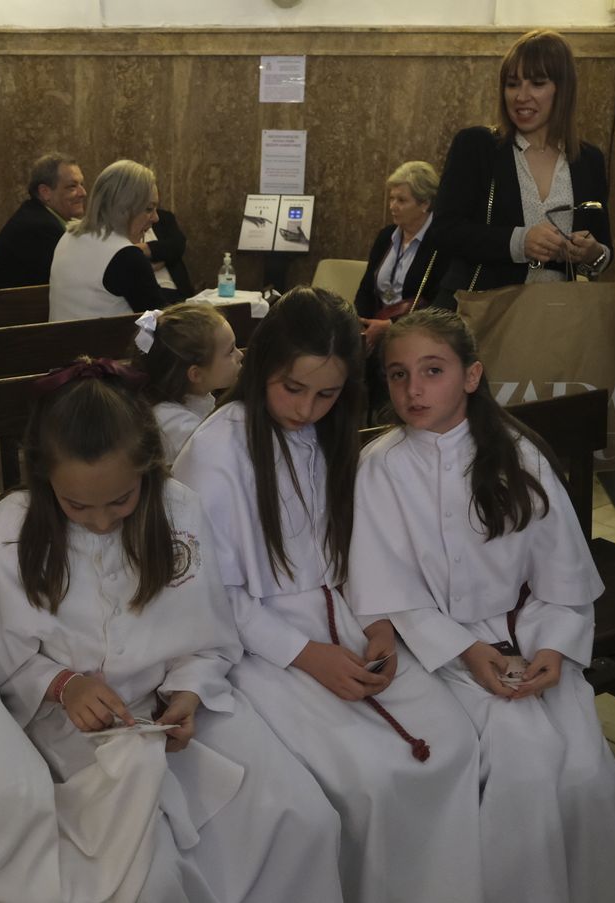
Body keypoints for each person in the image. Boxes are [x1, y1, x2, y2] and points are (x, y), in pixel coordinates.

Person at [0, 358, 344, 903]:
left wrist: (188, 691)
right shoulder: (11, 529)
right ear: (46, 480)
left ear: (147, 470)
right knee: (150, 873)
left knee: (303, 819)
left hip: (181, 712)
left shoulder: (178, 510)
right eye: (77, 505)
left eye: (121, 500)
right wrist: (64, 684)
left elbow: (210, 634)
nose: (100, 522)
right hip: (74, 731)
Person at [172, 287, 483, 903]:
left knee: (452, 741)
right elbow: (213, 595)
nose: (306, 409)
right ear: (263, 367)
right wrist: (306, 654)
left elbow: (358, 551)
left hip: (351, 620)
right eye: (292, 388)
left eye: (327, 394)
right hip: (261, 646)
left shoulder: (333, 435)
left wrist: (382, 626)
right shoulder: (214, 454)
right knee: (367, 778)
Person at [349, 308, 615, 903]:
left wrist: (555, 648)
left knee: (586, 775)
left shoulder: (518, 456)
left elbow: (563, 577)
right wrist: (467, 650)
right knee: (524, 770)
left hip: (531, 633)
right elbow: (388, 592)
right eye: (398, 375)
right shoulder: (379, 467)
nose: (414, 389)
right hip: (439, 647)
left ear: (471, 376)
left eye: (433, 371)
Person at [431, 30, 613, 303]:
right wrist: (519, 241)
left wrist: (592, 253)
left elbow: (603, 248)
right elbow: (444, 232)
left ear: (563, 90)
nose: (521, 96)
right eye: (513, 84)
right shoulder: (477, 145)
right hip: (481, 312)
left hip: (555, 316)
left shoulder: (588, 160)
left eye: (537, 83)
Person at [47, 160, 165, 321]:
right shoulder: (126, 256)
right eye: (149, 209)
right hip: (105, 345)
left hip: (58, 344)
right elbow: (161, 326)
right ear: (124, 207)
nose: (156, 218)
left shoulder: (69, 235)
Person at [129, 303, 242, 463]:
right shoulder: (177, 425)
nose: (239, 355)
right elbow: (225, 460)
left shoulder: (194, 397)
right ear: (196, 374)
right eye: (230, 351)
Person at [352, 161, 449, 337]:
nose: (392, 206)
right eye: (391, 198)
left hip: (417, 334)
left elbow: (439, 304)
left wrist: (390, 326)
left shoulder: (440, 242)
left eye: (401, 200)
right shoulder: (386, 236)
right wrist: (362, 325)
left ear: (425, 204)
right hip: (375, 330)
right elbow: (366, 289)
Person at [0, 152, 87, 289]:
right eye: (72, 186)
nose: (83, 193)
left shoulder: (37, 215)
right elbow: (75, 281)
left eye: (81, 184)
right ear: (45, 192)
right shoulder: (39, 228)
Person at [139, 207, 195, 302]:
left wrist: (140, 248)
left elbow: (177, 246)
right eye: (149, 208)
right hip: (144, 294)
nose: (155, 217)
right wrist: (162, 256)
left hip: (175, 290)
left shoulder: (163, 218)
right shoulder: (117, 225)